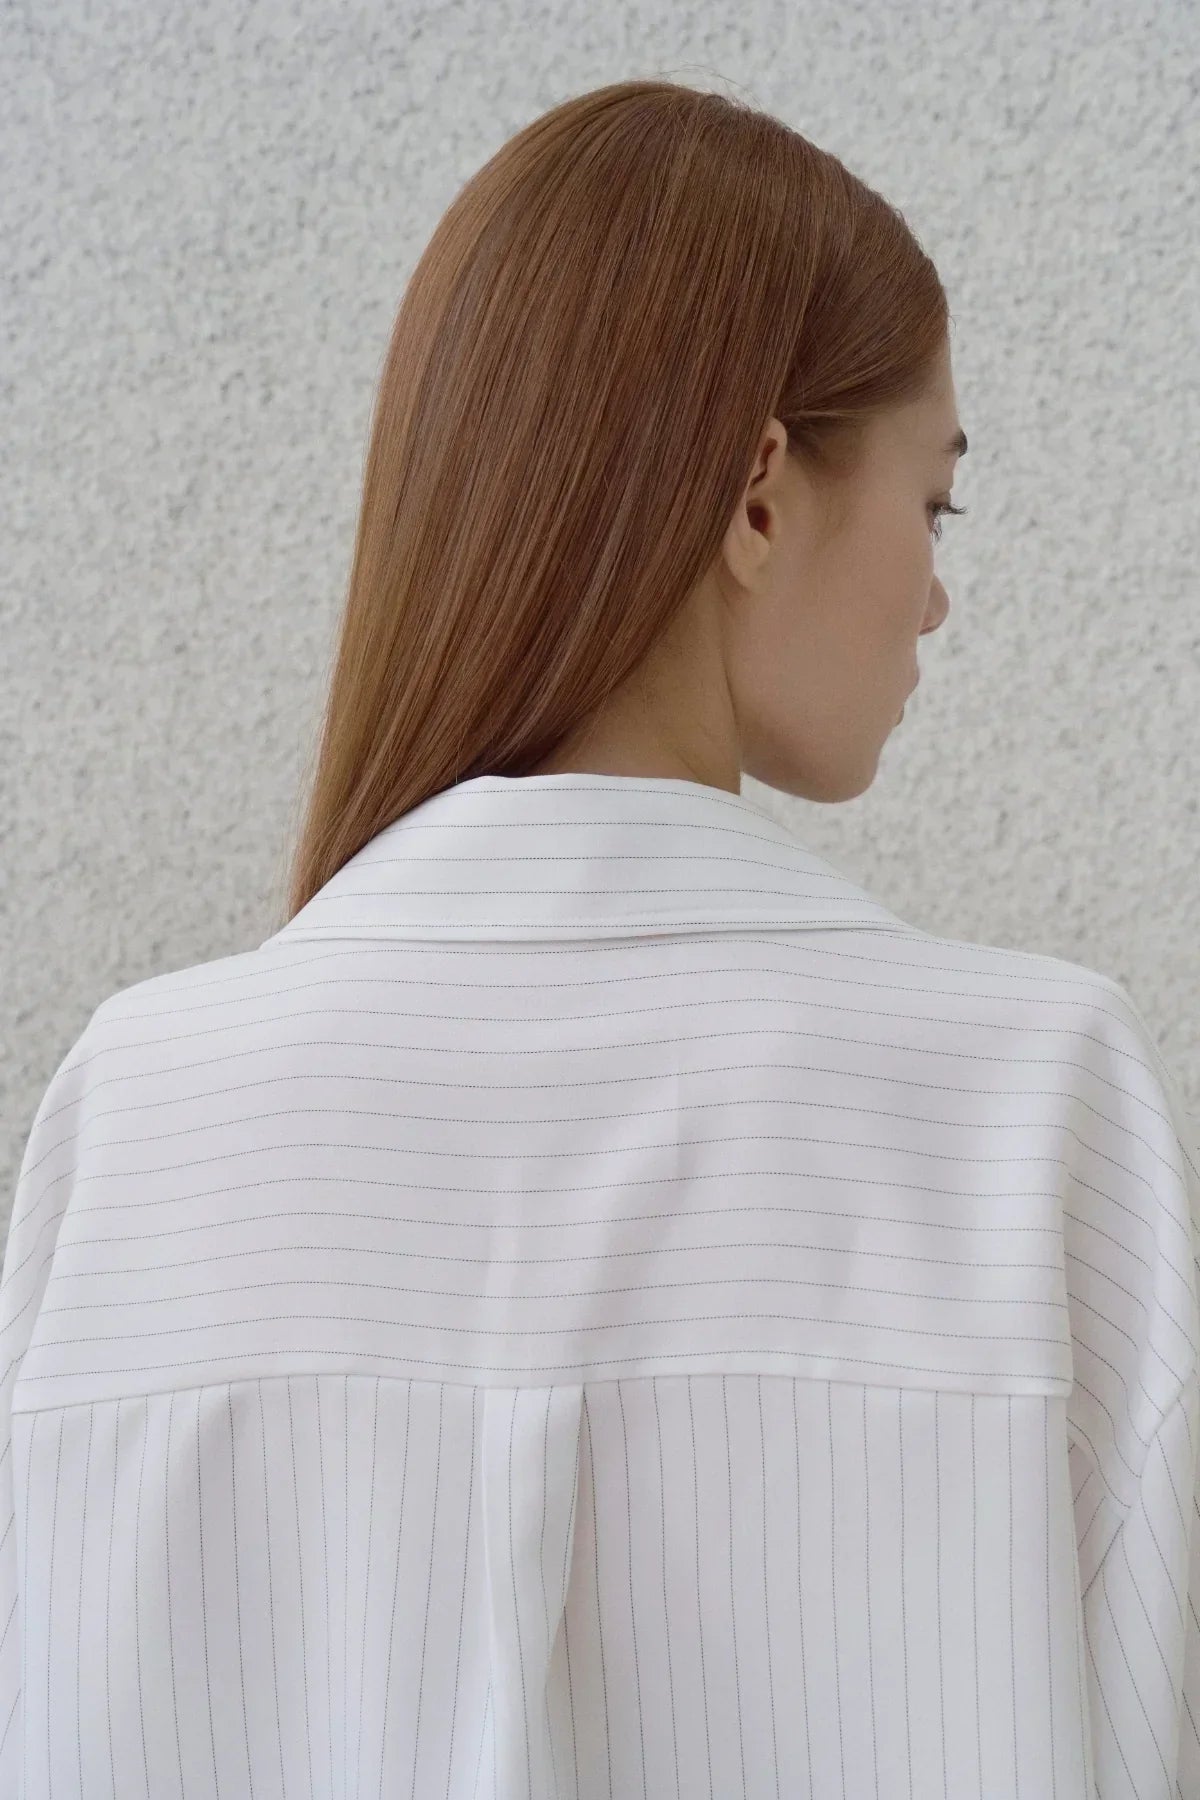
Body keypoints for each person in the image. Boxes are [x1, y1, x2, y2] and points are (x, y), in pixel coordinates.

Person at [3, 78, 1197, 1799]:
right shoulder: (1029, 1107)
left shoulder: (138, 1116)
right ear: (759, 497)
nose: (936, 591)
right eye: (935, 507)